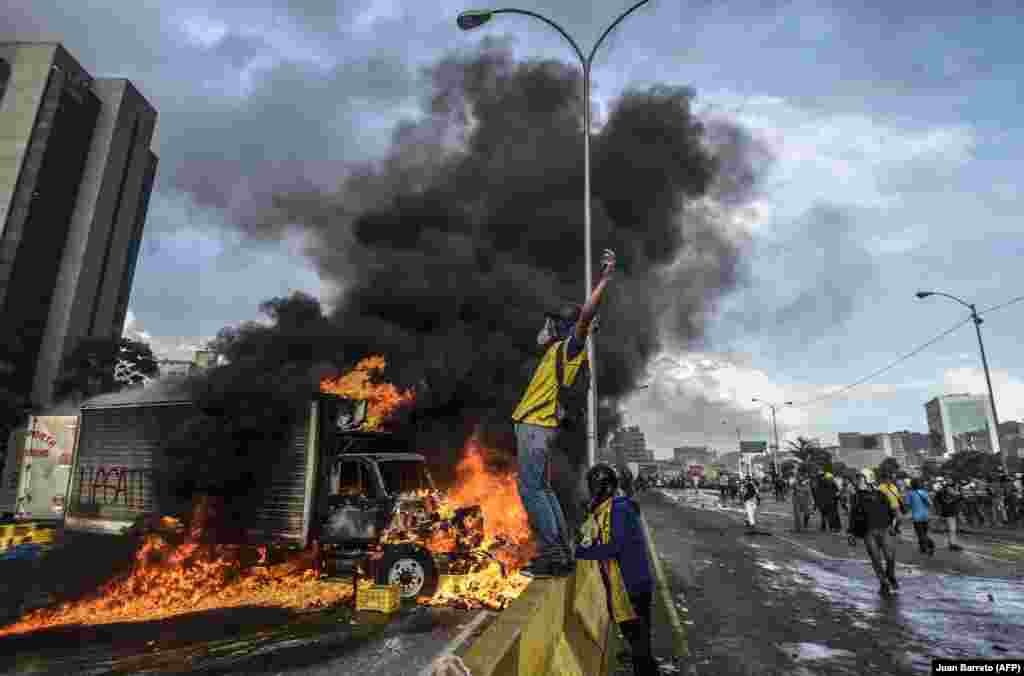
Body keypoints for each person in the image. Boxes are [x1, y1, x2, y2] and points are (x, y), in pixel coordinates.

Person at [511, 249, 617, 578]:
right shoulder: (558, 351)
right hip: (538, 427)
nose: (546, 325)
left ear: (564, 327)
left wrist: (605, 279)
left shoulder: (571, 347)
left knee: (531, 490)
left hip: (534, 428)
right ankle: (561, 552)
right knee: (542, 489)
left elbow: (585, 317)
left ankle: (554, 554)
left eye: (552, 321)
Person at [575, 464, 657, 676]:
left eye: (592, 488)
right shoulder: (611, 508)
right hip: (629, 584)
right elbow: (594, 536)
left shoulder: (619, 509)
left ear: (602, 488)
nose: (590, 493)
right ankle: (644, 665)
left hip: (632, 585)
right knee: (637, 638)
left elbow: (614, 546)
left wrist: (580, 554)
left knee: (638, 640)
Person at [848, 469, 899, 596]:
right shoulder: (856, 496)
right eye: (858, 478)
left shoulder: (881, 494)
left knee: (890, 557)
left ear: (868, 478)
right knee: (875, 559)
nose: (859, 481)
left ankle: (890, 575)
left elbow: (891, 511)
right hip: (868, 531)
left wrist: (893, 525)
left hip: (885, 529)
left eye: (861, 478)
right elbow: (853, 515)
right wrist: (851, 533)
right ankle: (883, 582)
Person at [905, 478, 936, 555]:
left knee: (921, 534)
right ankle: (923, 548)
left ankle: (931, 544)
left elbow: (908, 505)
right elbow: (930, 503)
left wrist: (907, 512)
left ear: (912, 485)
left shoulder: (910, 493)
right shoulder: (924, 492)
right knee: (924, 533)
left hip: (917, 517)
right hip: (925, 516)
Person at [935, 480, 963, 551]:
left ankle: (951, 543)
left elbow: (936, 499)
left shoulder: (940, 492)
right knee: (952, 529)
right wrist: (957, 489)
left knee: (950, 529)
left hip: (945, 511)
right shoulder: (951, 491)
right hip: (950, 512)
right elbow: (960, 496)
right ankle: (952, 544)